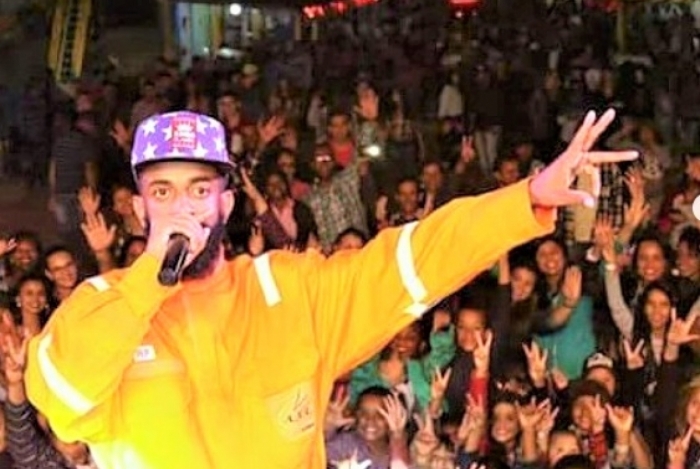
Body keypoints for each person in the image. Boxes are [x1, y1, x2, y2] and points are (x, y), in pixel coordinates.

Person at [19, 109, 635, 468]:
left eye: (199, 189)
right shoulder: (101, 305)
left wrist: (525, 199)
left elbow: (410, 260)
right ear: (138, 210)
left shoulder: (287, 289)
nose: (183, 207)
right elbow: (61, 398)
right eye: (162, 192)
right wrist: (147, 283)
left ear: (226, 203)